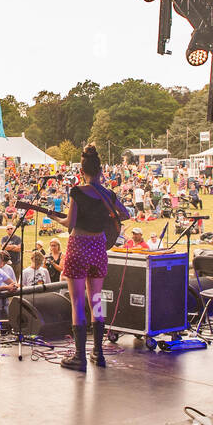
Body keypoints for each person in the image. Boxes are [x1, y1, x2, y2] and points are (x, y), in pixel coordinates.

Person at [46, 144, 130, 371]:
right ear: (101, 172)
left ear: (81, 171)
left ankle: (79, 357)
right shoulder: (108, 194)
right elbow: (126, 213)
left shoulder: (77, 191)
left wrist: (54, 217)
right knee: (96, 300)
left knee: (77, 303)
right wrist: (106, 218)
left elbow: (70, 223)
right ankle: (98, 353)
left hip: (79, 246)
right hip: (99, 247)